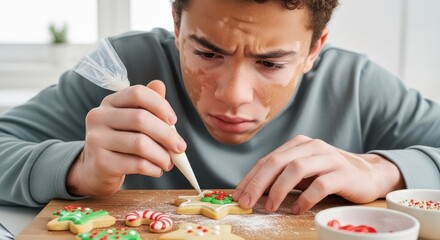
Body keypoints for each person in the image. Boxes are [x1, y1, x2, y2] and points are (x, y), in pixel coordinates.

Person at [1, 0, 439, 217]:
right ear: (177, 25)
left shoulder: (358, 87)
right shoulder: (125, 69)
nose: (232, 96)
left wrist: (384, 170)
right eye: (207, 54)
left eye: (270, 63)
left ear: (313, 50)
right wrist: (77, 168)